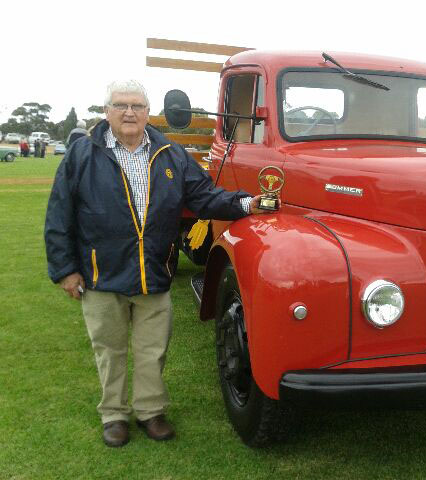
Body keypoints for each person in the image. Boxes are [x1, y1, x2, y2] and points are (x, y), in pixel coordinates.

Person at [44, 80, 273, 448]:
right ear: (107, 112)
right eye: (120, 105)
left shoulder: (171, 154)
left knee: (153, 350)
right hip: (101, 275)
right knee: (110, 350)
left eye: (136, 105)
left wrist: (247, 205)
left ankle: (151, 412)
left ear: (148, 112)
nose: (129, 112)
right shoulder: (82, 154)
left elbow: (204, 196)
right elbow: (59, 216)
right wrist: (66, 270)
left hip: (154, 273)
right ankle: (114, 415)